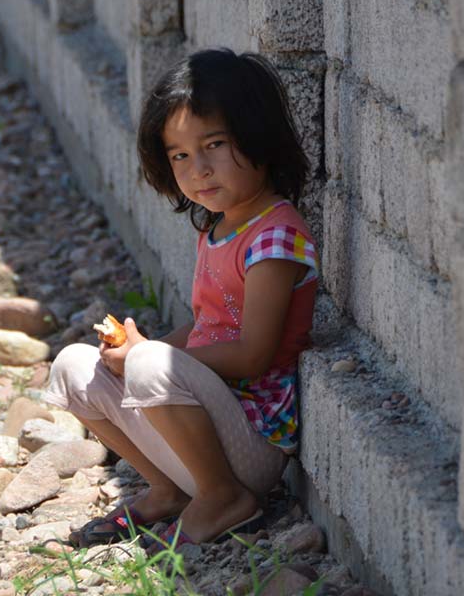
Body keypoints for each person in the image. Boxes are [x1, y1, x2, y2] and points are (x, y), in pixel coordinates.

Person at [43, 48, 318, 549]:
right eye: (180, 155)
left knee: (149, 363)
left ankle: (224, 497)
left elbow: (254, 351)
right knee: (75, 366)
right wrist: (138, 350)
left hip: (252, 440)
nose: (200, 169)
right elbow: (207, 325)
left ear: (259, 136)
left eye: (215, 144)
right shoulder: (217, 230)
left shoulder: (275, 236)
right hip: (202, 430)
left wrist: (153, 359)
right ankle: (169, 490)